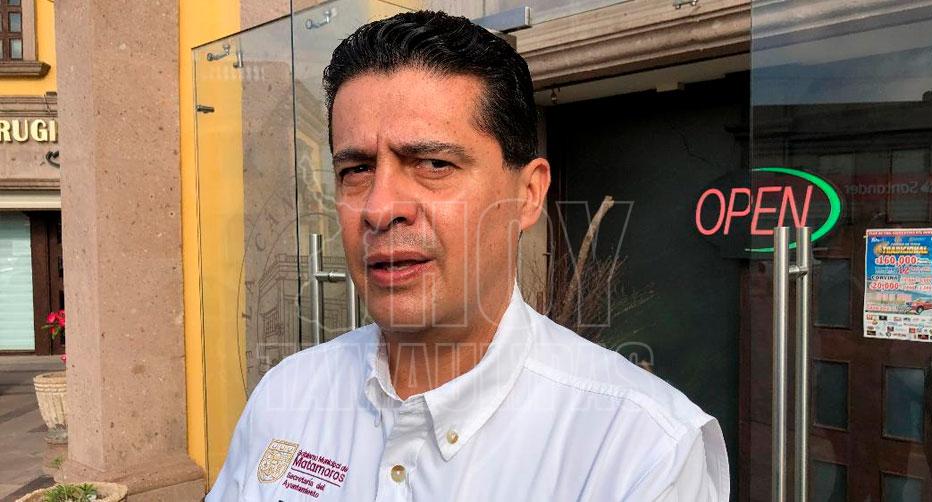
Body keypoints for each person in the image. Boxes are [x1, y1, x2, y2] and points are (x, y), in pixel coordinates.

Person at [207, 10, 728, 501]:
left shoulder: (638, 451)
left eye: (433, 163)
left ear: (527, 194)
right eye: (356, 170)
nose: (380, 208)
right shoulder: (286, 396)